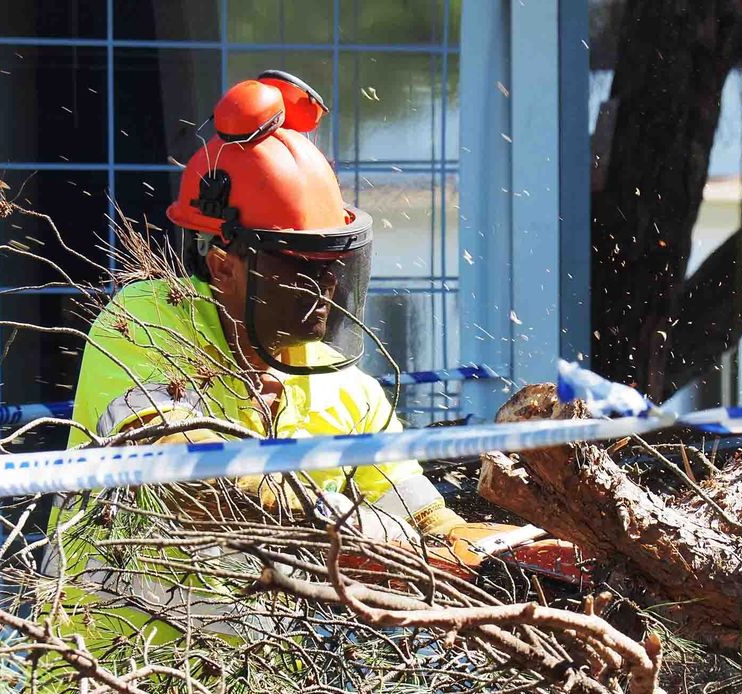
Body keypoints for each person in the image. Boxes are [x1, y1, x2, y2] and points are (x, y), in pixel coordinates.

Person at [48, 72, 503, 641]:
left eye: (333, 268)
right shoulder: (142, 323)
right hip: (109, 679)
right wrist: (358, 534)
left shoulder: (346, 387)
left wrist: (498, 557)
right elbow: (195, 481)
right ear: (223, 265)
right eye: (301, 271)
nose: (326, 291)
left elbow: (421, 515)